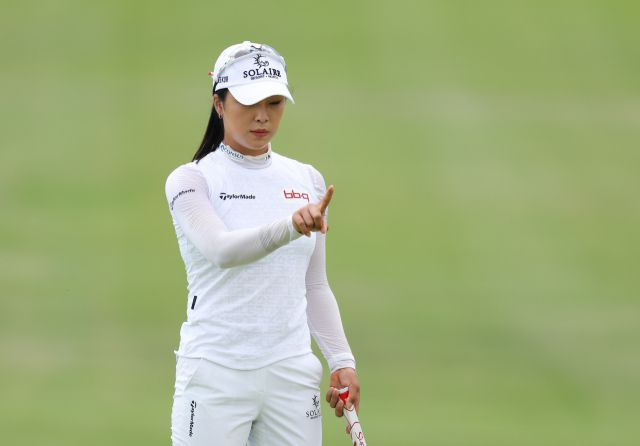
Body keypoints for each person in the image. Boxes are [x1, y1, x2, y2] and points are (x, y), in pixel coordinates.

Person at [164, 41, 361, 446]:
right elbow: (221, 250)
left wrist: (341, 360)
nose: (262, 116)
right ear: (219, 104)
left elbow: (313, 285)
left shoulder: (307, 180)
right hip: (215, 371)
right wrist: (290, 225)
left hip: (291, 374)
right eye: (249, 102)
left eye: (274, 103)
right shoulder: (191, 180)